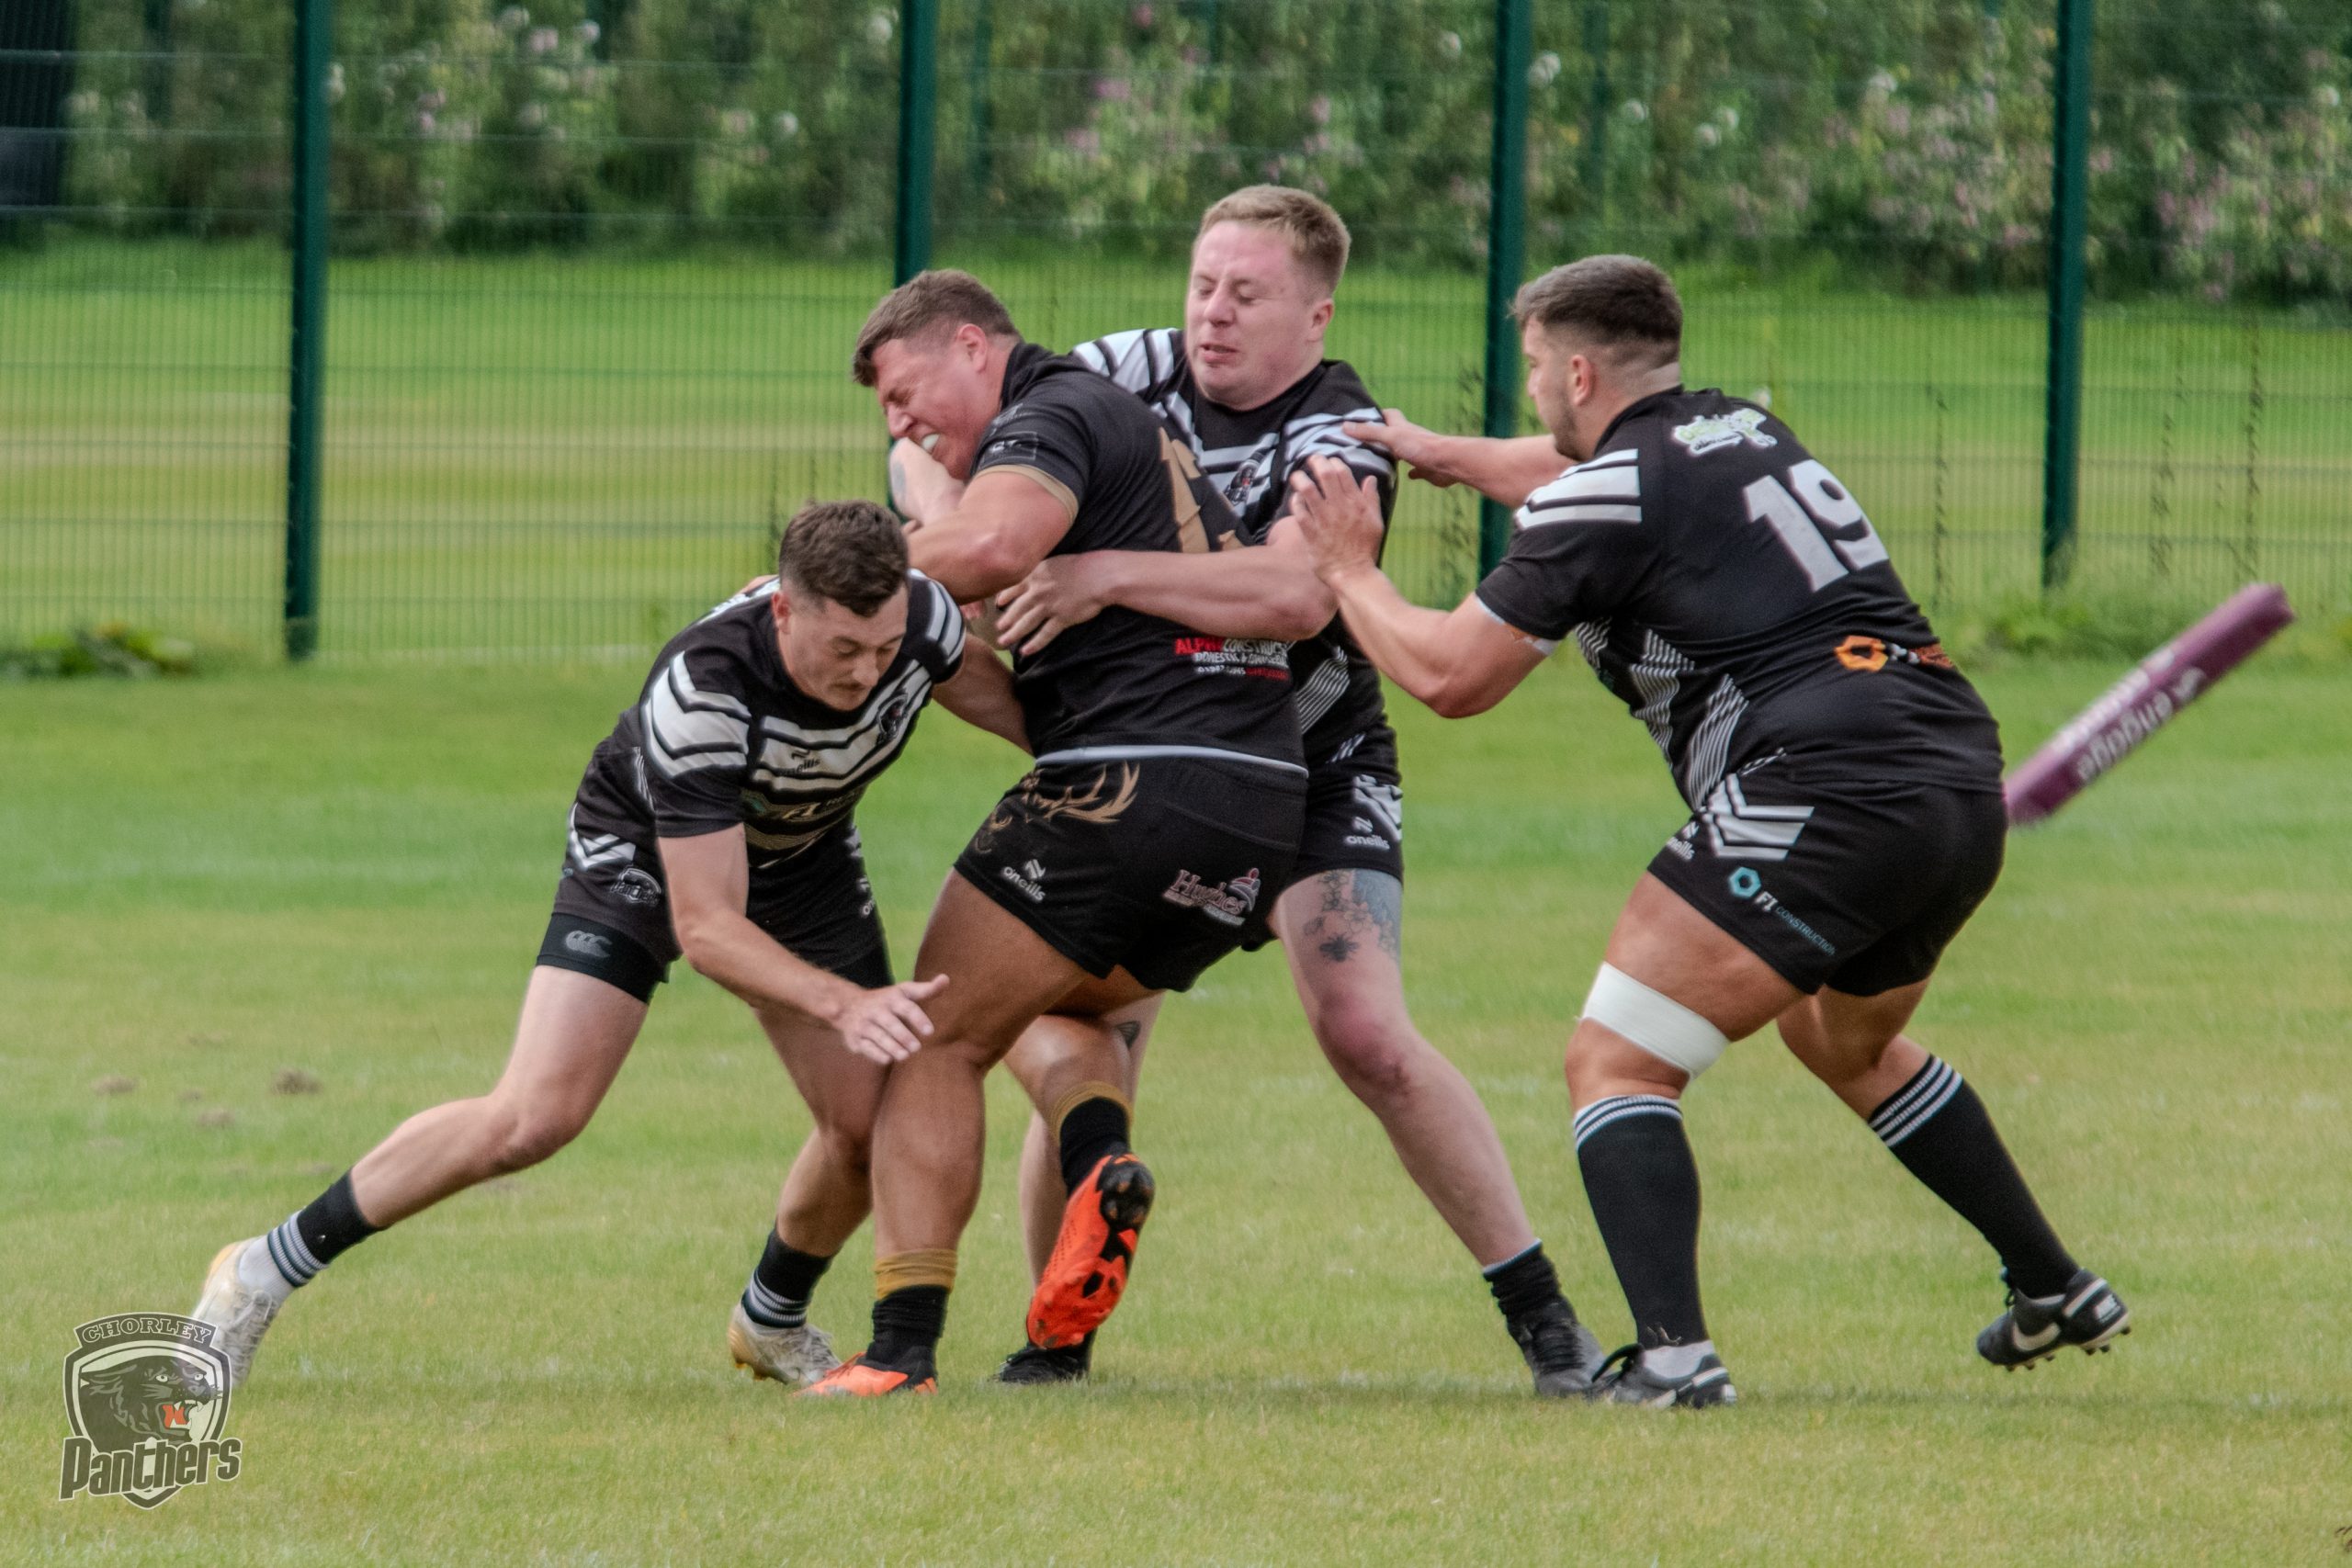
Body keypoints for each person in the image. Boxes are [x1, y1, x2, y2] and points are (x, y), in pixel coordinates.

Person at [1290, 254, 2130, 1408]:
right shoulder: (1736, 429)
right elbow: (1578, 473)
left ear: (1575, 373)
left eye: (1533, 367)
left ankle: (1675, 1365)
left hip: (1819, 786)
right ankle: (2052, 1284)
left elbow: (1448, 677)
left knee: (1616, 1061)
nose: (1531, 389)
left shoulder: (1603, 495)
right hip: (1949, 778)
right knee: (1840, 1044)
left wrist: (1348, 571)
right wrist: (1438, 453)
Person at [893, 185, 1599, 1393]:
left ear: (1315, 317)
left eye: (1247, 295)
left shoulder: (1335, 431)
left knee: (1366, 1033)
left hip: (1314, 763)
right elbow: (932, 440)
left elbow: (1297, 596)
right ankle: (1060, 1336)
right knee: (1086, 1025)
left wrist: (1100, 572)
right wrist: (968, 520)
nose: (1212, 314)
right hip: (1159, 748)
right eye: (1203, 284)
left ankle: (1546, 1320)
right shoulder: (1116, 370)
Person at [189, 502, 1027, 1390]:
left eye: (883, 647)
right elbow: (709, 929)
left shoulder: (923, 621)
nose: (866, 672)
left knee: (866, 1130)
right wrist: (843, 1002)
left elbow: (1016, 711)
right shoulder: (706, 690)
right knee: (535, 1116)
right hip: (643, 850)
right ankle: (260, 1270)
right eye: (843, 649)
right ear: (783, 609)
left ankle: (771, 1318)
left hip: (802, 856)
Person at [800, 268, 1313, 1396]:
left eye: (904, 393)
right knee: (1051, 1008)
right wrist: (923, 596)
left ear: (972, 346)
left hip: (1132, 780)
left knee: (933, 1039)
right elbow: (1007, 671)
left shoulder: (1049, 412)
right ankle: (1097, 1159)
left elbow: (989, 546)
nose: (901, 423)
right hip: (1257, 813)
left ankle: (899, 1350)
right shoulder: (1105, 432)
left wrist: (817, 586)